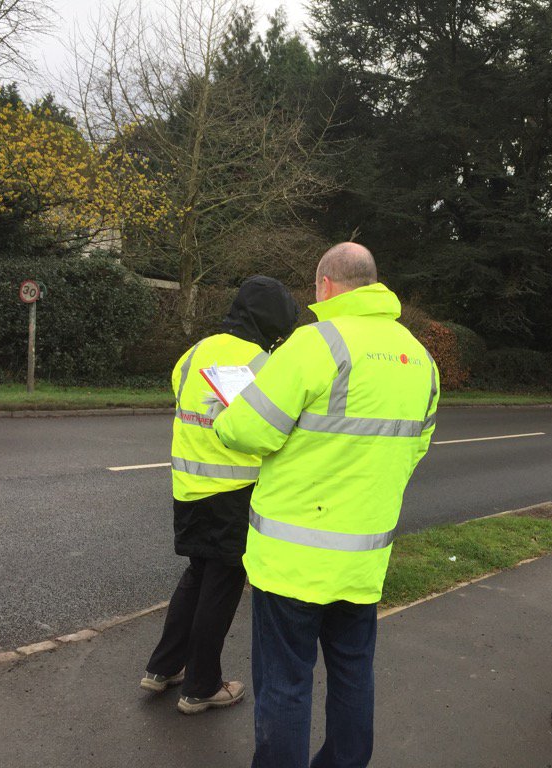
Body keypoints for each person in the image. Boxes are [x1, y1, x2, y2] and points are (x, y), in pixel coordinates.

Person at [213, 242, 439, 768]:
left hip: (291, 559)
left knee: (286, 685)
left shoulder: (313, 345)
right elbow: (415, 449)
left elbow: (246, 431)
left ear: (324, 286)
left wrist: (231, 417)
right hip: (363, 556)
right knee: (353, 673)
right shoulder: (420, 358)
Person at [140, 275, 299, 715]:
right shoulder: (263, 364)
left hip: (188, 487)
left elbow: (181, 398)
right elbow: (273, 429)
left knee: (197, 574)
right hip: (234, 490)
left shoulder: (195, 353)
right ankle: (201, 686)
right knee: (222, 585)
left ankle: (163, 668)